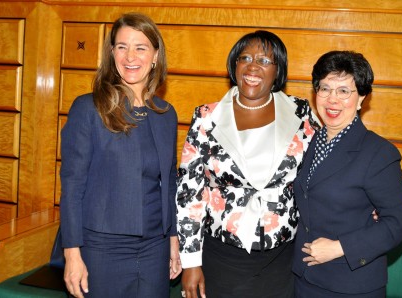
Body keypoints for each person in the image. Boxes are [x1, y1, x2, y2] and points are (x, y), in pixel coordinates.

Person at [176, 30, 321, 298]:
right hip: (222, 256)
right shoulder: (206, 117)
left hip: (282, 259)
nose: (253, 66)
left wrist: (362, 204)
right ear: (234, 65)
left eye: (265, 61)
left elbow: (327, 168)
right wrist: (191, 261)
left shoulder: (302, 114)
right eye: (245, 57)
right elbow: (190, 193)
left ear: (278, 71)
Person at [60, 12, 181, 298]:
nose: (130, 56)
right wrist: (72, 255)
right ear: (111, 53)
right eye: (122, 46)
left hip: (155, 247)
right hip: (101, 249)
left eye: (140, 47)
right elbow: (72, 186)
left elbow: (170, 183)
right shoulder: (88, 108)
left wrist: (173, 239)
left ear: (155, 56)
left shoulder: (166, 114)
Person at [292, 50, 402, 297]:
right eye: (325, 88)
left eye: (344, 91)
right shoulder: (308, 141)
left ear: (361, 98)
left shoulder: (378, 153)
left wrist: (340, 248)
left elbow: (400, 221)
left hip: (350, 284)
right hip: (302, 278)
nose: (332, 99)